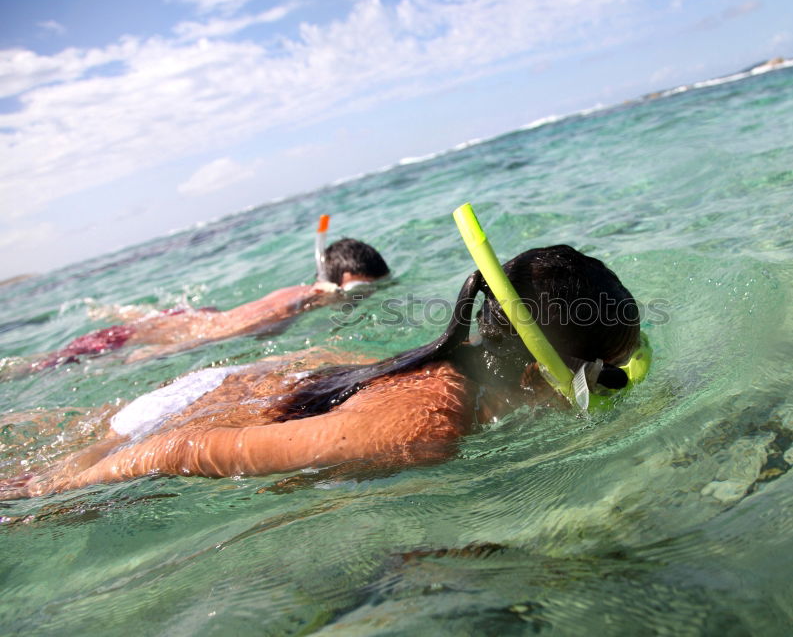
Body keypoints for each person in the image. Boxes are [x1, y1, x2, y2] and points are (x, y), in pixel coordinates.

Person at [0, 245, 645, 499]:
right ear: (538, 379)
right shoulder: (424, 428)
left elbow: (307, 368)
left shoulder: (440, 364)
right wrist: (59, 484)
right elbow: (184, 447)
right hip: (175, 426)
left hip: (213, 391)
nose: (613, 391)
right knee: (27, 486)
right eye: (607, 379)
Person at [0, 238, 390, 377]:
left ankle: (118, 312)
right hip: (161, 335)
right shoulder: (303, 297)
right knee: (47, 363)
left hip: (192, 317)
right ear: (334, 283)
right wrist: (158, 354)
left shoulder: (304, 293)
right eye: (358, 290)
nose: (362, 298)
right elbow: (225, 334)